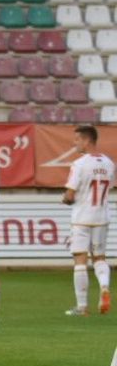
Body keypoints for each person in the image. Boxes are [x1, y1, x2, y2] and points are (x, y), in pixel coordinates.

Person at [61, 124, 113, 316]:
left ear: (86, 140)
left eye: (77, 139)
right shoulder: (109, 163)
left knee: (80, 259)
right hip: (102, 216)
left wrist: (65, 199)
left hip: (82, 217)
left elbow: (70, 195)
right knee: (99, 257)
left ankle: (82, 306)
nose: (75, 143)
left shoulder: (79, 164)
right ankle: (104, 286)